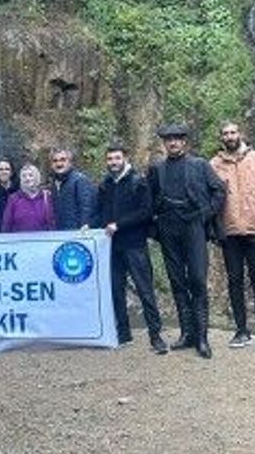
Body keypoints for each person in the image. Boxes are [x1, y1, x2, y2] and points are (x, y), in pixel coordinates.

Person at [148, 123, 226, 358]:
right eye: (168, 140)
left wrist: (205, 214)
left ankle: (202, 338)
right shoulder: (157, 169)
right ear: (164, 143)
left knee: (198, 280)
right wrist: (156, 226)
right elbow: (149, 200)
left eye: (177, 139)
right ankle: (186, 334)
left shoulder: (199, 165)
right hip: (168, 226)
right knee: (177, 281)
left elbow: (220, 191)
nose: (173, 143)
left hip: (193, 224)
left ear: (184, 142)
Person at [90, 144, 168, 355]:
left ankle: (156, 336)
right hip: (112, 247)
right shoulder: (105, 185)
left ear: (125, 158)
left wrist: (119, 225)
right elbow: (100, 213)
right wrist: (90, 225)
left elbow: (146, 212)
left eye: (116, 158)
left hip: (135, 245)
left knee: (145, 290)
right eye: (110, 159)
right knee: (116, 290)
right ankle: (124, 334)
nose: (113, 162)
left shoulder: (138, 181)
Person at [210, 122, 255, 353]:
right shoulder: (214, 164)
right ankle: (241, 331)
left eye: (233, 132)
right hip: (230, 233)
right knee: (234, 281)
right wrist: (213, 228)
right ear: (221, 137)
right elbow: (209, 197)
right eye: (225, 133)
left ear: (240, 134)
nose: (229, 136)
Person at [49, 148, 95, 231]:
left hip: (77, 233)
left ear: (70, 162)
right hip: (59, 232)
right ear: (51, 165)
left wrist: (85, 224)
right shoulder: (53, 184)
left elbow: (86, 207)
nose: (59, 164)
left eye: (63, 160)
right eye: (55, 161)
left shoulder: (80, 180)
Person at [1, 164, 55, 232]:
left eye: (30, 175)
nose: (27, 178)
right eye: (24, 176)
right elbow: (6, 224)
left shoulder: (46, 197)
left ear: (36, 177)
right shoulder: (13, 198)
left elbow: (51, 223)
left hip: (42, 240)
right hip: (19, 240)